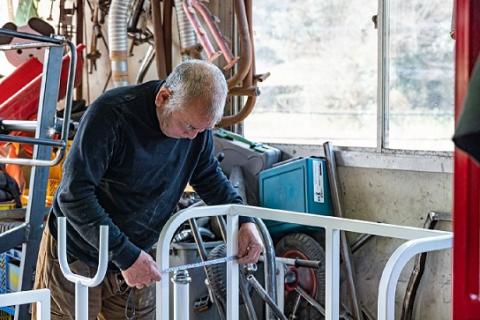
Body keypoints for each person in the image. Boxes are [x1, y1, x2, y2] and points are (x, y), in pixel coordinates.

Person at [33, 59, 263, 319]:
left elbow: (208, 176)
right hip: (78, 252)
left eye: (203, 130)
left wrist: (244, 219)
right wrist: (124, 254)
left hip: (137, 252)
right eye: (189, 127)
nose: (194, 137)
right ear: (163, 97)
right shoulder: (110, 115)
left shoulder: (196, 131)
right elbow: (73, 196)